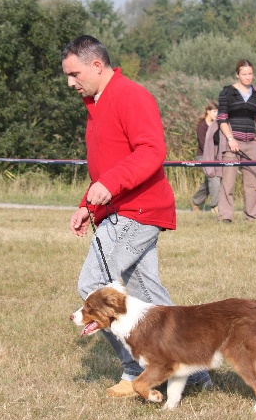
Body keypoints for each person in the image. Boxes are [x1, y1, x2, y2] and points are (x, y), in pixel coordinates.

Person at [61, 35, 212, 397]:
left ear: (97, 65)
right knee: (149, 297)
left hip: (138, 211)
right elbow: (107, 168)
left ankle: (136, 371)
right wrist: (88, 205)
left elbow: (151, 151)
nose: (69, 82)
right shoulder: (96, 104)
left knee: (94, 286)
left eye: (74, 73)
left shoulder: (131, 96)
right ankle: (193, 373)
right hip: (120, 211)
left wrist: (109, 187)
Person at [216, 59, 256, 222]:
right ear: (237, 74)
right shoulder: (227, 92)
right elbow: (222, 118)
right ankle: (225, 216)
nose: (248, 77)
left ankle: (253, 215)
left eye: (250, 74)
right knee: (228, 182)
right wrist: (231, 139)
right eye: (244, 74)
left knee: (252, 183)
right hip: (232, 143)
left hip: (251, 143)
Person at [191, 101, 221, 213]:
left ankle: (195, 201)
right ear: (208, 111)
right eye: (214, 111)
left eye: (218, 112)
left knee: (210, 181)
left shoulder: (217, 125)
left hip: (215, 157)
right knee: (214, 178)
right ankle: (215, 206)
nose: (216, 114)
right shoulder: (202, 126)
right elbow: (203, 145)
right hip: (203, 156)